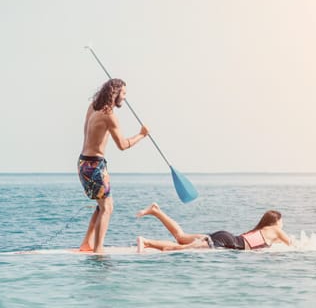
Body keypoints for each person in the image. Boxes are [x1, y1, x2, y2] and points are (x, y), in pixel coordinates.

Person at [78, 78, 149, 253]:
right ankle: (99, 249)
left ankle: (87, 243)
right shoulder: (109, 115)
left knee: (101, 205)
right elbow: (123, 145)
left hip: (83, 162)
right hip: (95, 166)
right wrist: (142, 135)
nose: (125, 98)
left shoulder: (93, 107)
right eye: (123, 94)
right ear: (115, 93)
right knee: (108, 207)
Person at [135, 203, 292, 252]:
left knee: (181, 237)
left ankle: (156, 211)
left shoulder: (263, 231)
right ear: (276, 221)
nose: (282, 224)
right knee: (181, 248)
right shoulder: (276, 230)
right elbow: (292, 245)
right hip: (227, 242)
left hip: (226, 236)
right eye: (282, 221)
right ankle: (146, 242)